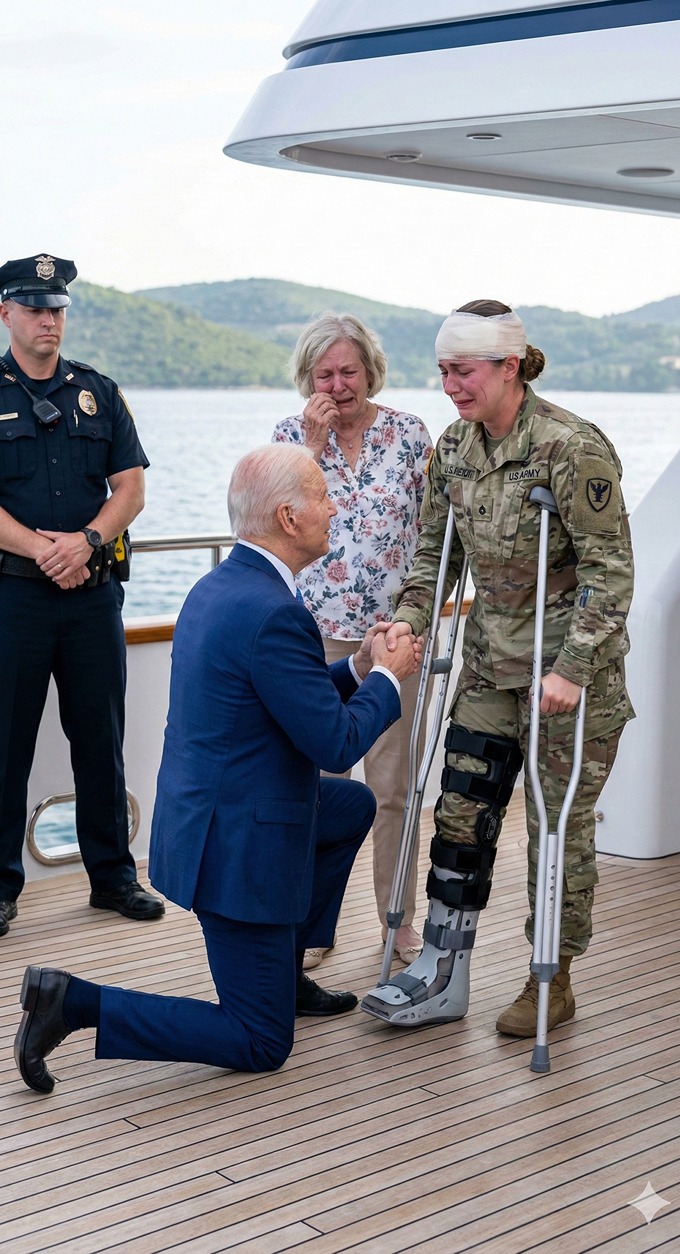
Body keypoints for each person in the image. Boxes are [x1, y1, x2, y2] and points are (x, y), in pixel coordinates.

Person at [14, 443, 420, 1094]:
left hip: (207, 819)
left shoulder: (222, 588)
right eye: (322, 496)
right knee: (261, 1040)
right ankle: (73, 1003)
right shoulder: (275, 611)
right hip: (236, 851)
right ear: (288, 517)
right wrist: (392, 680)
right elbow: (336, 744)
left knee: (349, 807)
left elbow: (287, 693)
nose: (333, 508)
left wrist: (358, 668)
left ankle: (284, 971)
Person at [362, 300, 634, 1036]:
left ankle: (554, 976)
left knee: (554, 829)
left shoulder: (570, 448)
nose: (450, 385)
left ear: (510, 366)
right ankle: (442, 971)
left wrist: (572, 668)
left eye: (464, 371)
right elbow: (434, 554)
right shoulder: (454, 448)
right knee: (460, 812)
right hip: (487, 668)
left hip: (566, 677)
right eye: (443, 371)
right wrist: (412, 617)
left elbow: (610, 573)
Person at [0, 253, 163, 936]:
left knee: (101, 739)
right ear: (6, 313)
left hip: (92, 597)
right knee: (5, 744)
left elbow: (131, 487)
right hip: (15, 598)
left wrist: (87, 542)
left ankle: (113, 878)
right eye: (36, 307)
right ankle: (1, 888)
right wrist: (46, 550)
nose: (49, 319)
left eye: (58, 308)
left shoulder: (99, 392)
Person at [273, 313, 433, 968]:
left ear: (370, 371)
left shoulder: (409, 434)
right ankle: (314, 924)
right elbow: (277, 521)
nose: (338, 386)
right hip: (313, 639)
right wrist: (310, 449)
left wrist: (417, 620)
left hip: (393, 636)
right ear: (306, 378)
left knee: (393, 788)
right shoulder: (289, 439)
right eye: (325, 375)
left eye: (349, 371)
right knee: (317, 787)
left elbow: (433, 533)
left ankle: (398, 920)